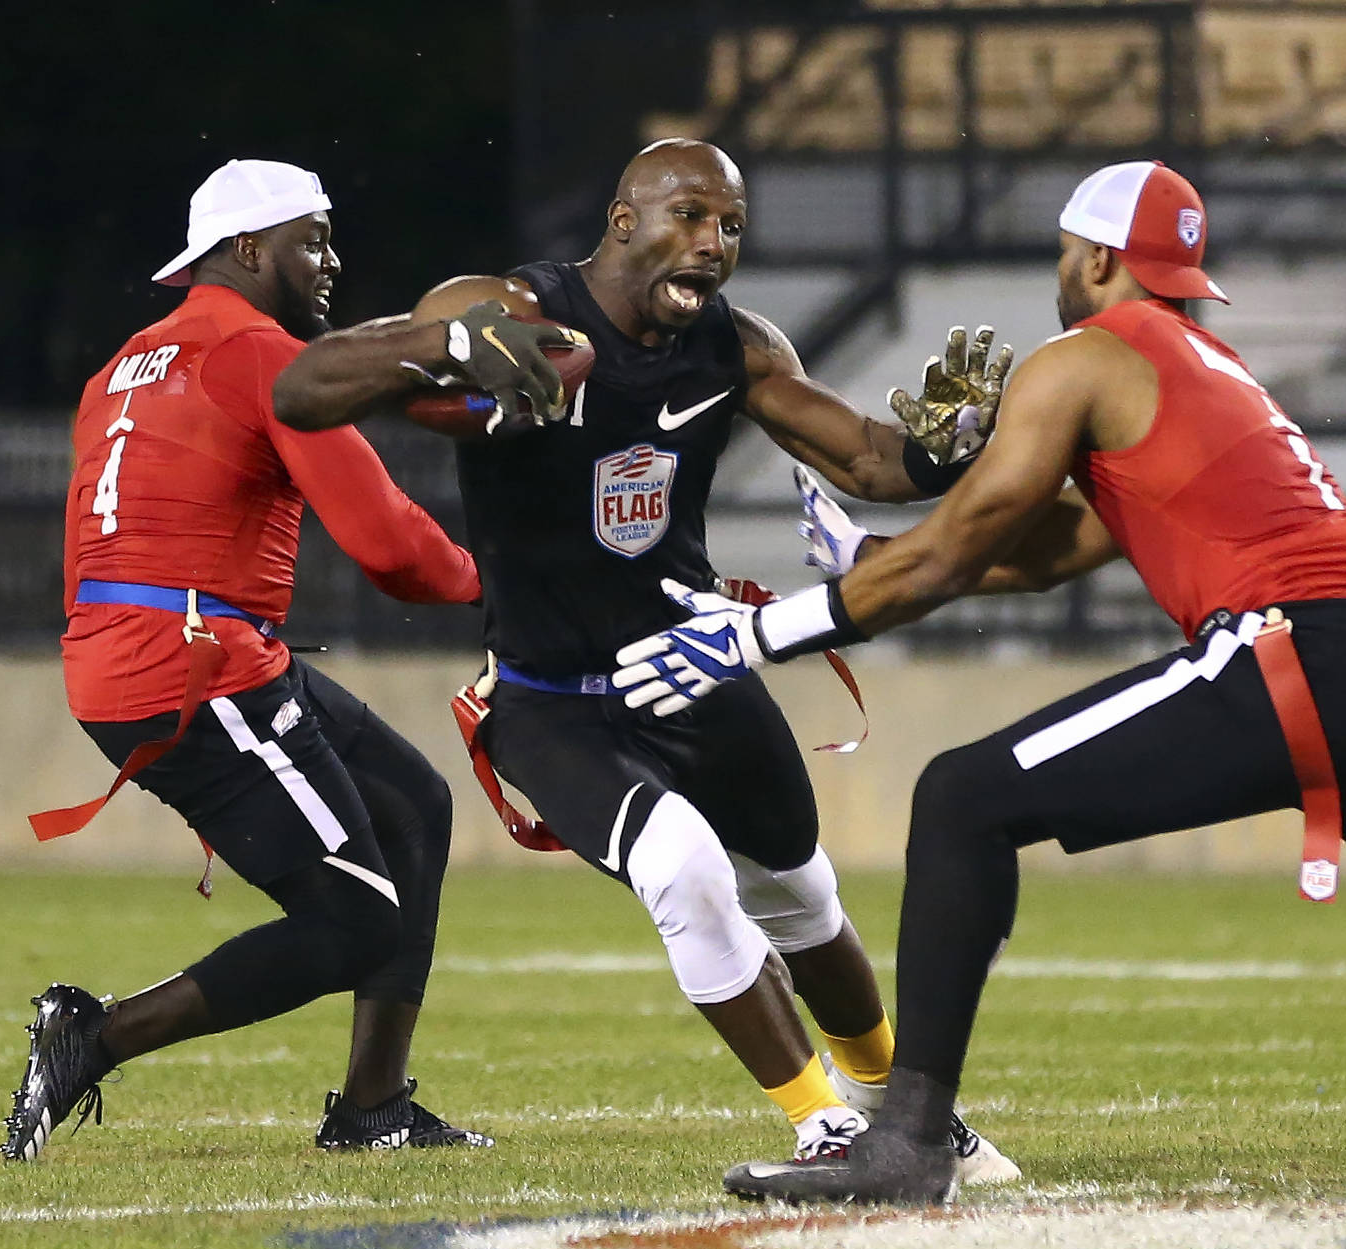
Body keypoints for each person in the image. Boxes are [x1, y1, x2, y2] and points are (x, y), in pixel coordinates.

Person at [609, 160, 1346, 1205]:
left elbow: (961, 545)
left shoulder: (1090, 355)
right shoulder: (1199, 362)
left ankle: (911, 1142)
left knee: (962, 796)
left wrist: (766, 632)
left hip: (1307, 649)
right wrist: (872, 566)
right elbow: (1045, 552)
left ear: (1086, 258)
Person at [272, 138, 1017, 1179]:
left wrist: (945, 448)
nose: (713, 245)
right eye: (690, 218)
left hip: (692, 667)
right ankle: (822, 1121)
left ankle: (911, 1117)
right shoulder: (504, 301)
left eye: (731, 228)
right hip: (550, 697)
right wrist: (440, 352)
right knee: (682, 870)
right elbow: (302, 387)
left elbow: (865, 456)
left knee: (806, 904)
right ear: (624, 220)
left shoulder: (732, 343)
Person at [1, 158, 559, 1159]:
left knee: (412, 803)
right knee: (356, 921)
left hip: (147, 646)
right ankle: (97, 1033)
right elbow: (389, 545)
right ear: (251, 250)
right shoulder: (264, 357)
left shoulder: (121, 364)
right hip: (193, 664)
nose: (332, 259)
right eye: (315, 238)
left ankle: (373, 1105)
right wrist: (499, 584)